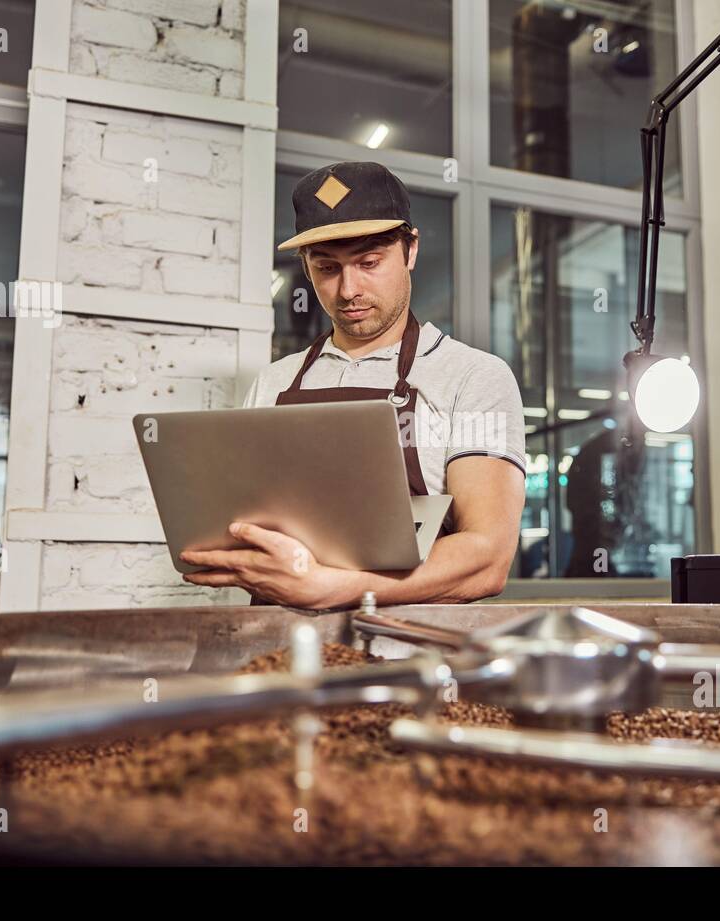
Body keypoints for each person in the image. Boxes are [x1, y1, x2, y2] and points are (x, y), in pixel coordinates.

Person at [180, 162, 526, 608]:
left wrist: (337, 589)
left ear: (411, 250)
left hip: (407, 658)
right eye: (327, 268)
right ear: (305, 267)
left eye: (369, 263)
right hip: (282, 651)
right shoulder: (274, 383)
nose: (348, 290)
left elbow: (486, 557)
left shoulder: (474, 377)